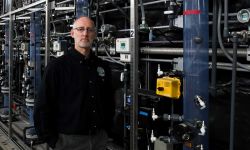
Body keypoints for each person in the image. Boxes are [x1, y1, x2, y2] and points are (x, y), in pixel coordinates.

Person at [34, 16, 115, 150]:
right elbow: (43, 105)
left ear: (94, 34)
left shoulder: (103, 66)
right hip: (68, 141)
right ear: (72, 34)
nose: (85, 33)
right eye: (80, 29)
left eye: (89, 30)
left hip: (99, 139)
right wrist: (51, 140)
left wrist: (107, 131)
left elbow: (109, 102)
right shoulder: (57, 67)